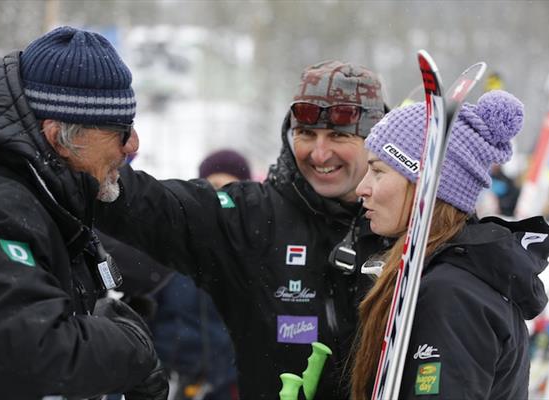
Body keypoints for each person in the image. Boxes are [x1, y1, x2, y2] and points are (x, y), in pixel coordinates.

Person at [94, 60, 388, 400]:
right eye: (306, 134)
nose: (319, 153)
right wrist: (84, 164)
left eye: (338, 135)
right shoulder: (252, 218)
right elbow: (154, 206)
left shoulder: (405, 223)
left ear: (375, 138)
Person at [0, 26, 168, 400]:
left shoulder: (40, 194)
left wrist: (96, 317)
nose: (133, 145)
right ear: (58, 137)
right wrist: (131, 348)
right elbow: (23, 354)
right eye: (121, 130)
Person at [350, 90, 549, 399]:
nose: (361, 188)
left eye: (378, 171)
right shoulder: (454, 277)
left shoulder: (450, 294)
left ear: (427, 185)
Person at [151, 149, 249, 400]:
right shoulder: (170, 249)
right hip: (175, 386)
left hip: (232, 387)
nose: (221, 196)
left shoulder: (255, 255)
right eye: (213, 186)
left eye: (231, 187)